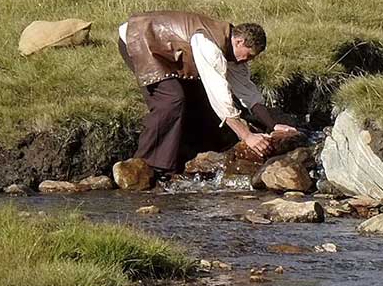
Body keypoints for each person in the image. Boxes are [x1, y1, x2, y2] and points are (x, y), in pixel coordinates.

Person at [115, 11, 298, 178]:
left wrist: (273, 125)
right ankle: (146, 166)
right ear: (239, 41)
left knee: (195, 98)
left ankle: (184, 157)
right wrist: (247, 136)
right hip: (139, 38)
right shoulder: (210, 45)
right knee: (171, 100)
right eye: (249, 56)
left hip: (165, 49)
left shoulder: (233, 52)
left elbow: (247, 91)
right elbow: (219, 95)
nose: (247, 61)